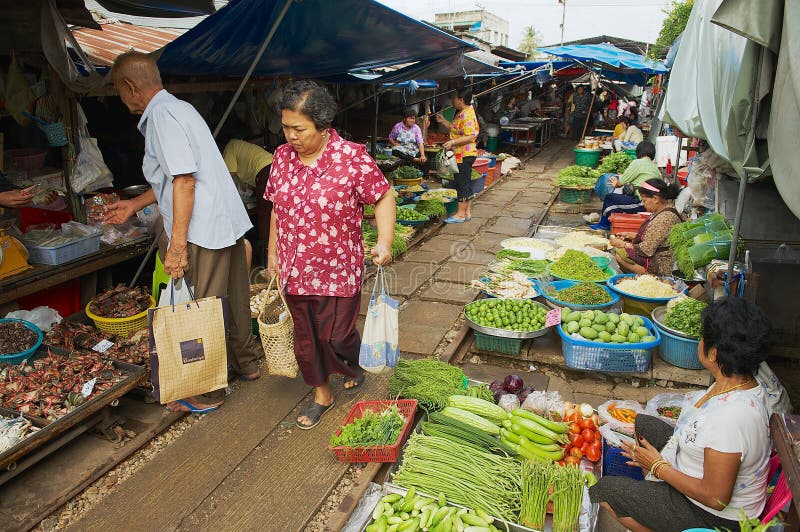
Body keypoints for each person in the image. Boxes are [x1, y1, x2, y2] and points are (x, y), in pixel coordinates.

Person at [106, 51, 262, 414]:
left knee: (199, 308)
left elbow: (185, 181)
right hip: (225, 221)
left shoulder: (160, 116)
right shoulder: (181, 108)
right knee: (235, 298)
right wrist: (135, 204)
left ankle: (207, 390)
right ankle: (248, 364)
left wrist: (177, 246)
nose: (121, 98)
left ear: (130, 86)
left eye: (118, 90)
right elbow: (176, 176)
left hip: (202, 228)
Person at [265, 81, 394, 430]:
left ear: (323, 127)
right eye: (286, 126)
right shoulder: (281, 158)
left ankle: (352, 364)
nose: (290, 135)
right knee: (307, 340)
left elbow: (383, 196)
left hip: (339, 270)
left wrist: (384, 241)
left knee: (335, 336)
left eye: (299, 128)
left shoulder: (351, 157)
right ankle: (322, 393)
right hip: (295, 269)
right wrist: (272, 252)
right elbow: (277, 207)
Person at [590, 296, 774, 532]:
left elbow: (714, 498)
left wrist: (658, 467)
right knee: (644, 424)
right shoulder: (738, 381)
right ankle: (655, 499)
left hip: (712, 516)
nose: (699, 341)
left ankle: (661, 518)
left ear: (714, 353)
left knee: (606, 490)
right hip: (696, 475)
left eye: (702, 337)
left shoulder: (732, 418)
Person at [609, 178, 683, 275]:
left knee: (621, 254)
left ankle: (651, 278)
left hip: (662, 264)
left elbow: (646, 250)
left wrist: (623, 244)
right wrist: (630, 235)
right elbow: (655, 237)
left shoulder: (664, 218)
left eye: (644, 200)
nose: (643, 204)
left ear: (655, 199)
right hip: (657, 253)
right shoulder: (662, 210)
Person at [222, 139, 274, 266]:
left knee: (264, 214)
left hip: (265, 171)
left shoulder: (230, 146)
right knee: (274, 211)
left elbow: (228, 177)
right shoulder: (243, 148)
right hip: (275, 167)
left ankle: (264, 256)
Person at [589, 140, 661, 231]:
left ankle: (604, 224)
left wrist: (616, 182)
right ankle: (606, 222)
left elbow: (619, 183)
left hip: (642, 203)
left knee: (610, 198)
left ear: (638, 152)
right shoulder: (654, 167)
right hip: (652, 203)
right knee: (620, 197)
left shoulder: (638, 163)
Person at [436, 88, 479, 224]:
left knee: (461, 184)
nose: (453, 101)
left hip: (465, 154)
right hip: (461, 154)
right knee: (465, 182)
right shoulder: (462, 113)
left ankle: (460, 214)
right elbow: (456, 130)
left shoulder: (467, 114)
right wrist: (443, 121)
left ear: (460, 100)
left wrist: (453, 142)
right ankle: (466, 212)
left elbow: (471, 136)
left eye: (454, 98)